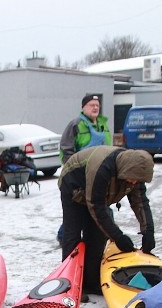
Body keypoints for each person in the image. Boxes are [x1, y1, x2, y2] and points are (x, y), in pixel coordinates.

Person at [58, 145, 155, 297]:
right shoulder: (103, 168)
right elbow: (96, 206)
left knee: (97, 236)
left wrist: (148, 231)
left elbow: (141, 203)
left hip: (95, 195)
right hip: (73, 185)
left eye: (138, 181)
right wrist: (118, 237)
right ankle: (70, 283)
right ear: (125, 170)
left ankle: (91, 282)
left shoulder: (135, 174)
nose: (134, 182)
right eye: (133, 179)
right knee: (73, 233)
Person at [57, 94, 112, 243]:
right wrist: (74, 173)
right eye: (91, 105)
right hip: (81, 175)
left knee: (100, 209)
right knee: (78, 212)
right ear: (83, 107)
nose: (95, 108)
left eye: (97, 105)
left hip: (101, 175)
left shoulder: (103, 125)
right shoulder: (76, 125)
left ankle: (100, 239)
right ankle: (64, 237)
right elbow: (65, 150)